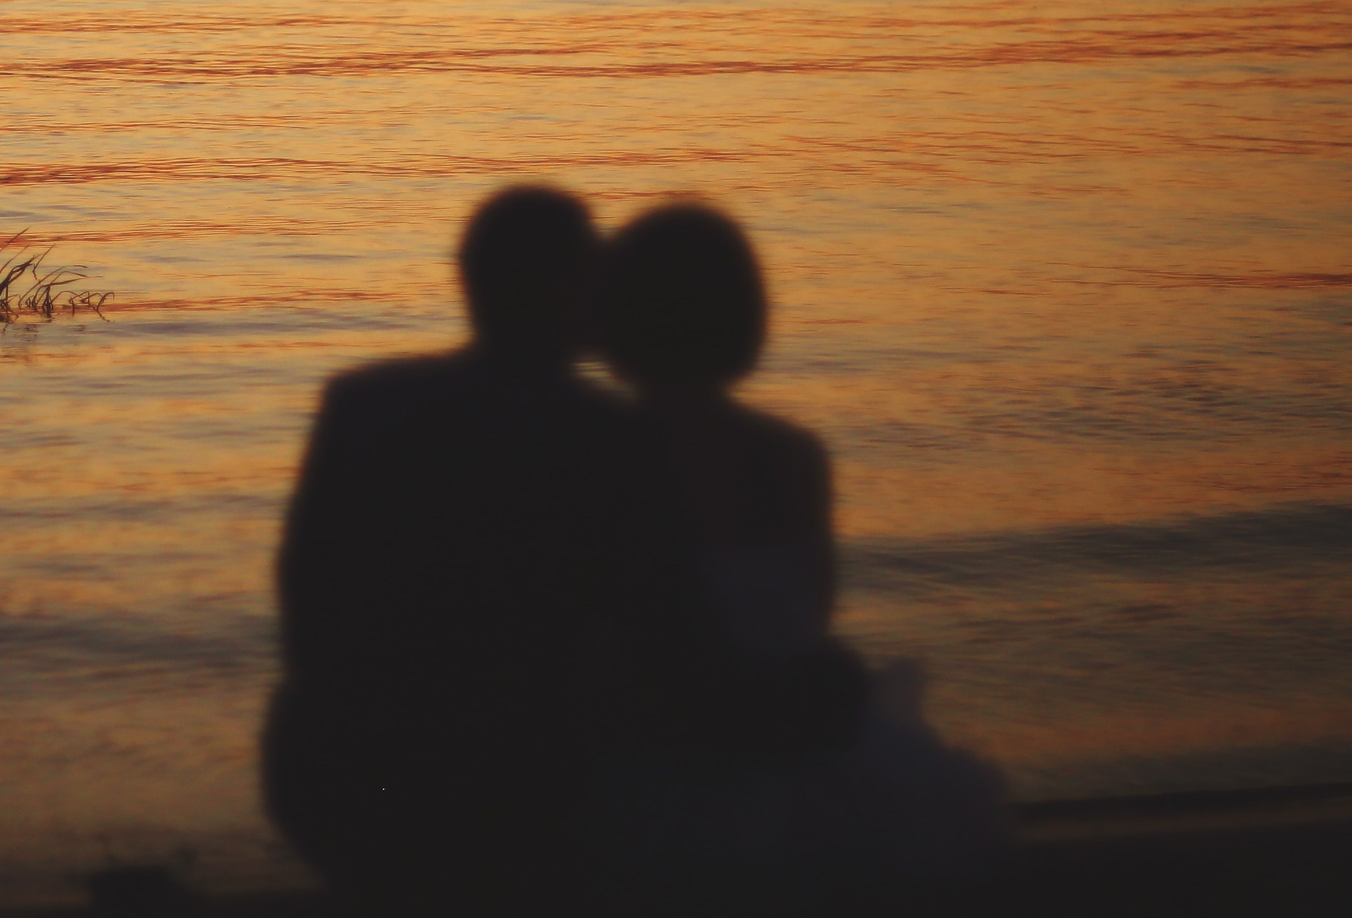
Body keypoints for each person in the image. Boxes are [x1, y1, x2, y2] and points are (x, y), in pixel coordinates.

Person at [263, 186, 866, 912]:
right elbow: (674, 653)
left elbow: (303, 593)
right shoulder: (610, 439)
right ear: (567, 291)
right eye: (593, 274)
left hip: (327, 777)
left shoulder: (361, 400)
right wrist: (823, 695)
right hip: (506, 803)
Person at [594, 202, 1005, 890]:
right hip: (794, 743)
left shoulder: (599, 455)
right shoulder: (793, 455)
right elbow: (813, 612)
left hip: (669, 752)